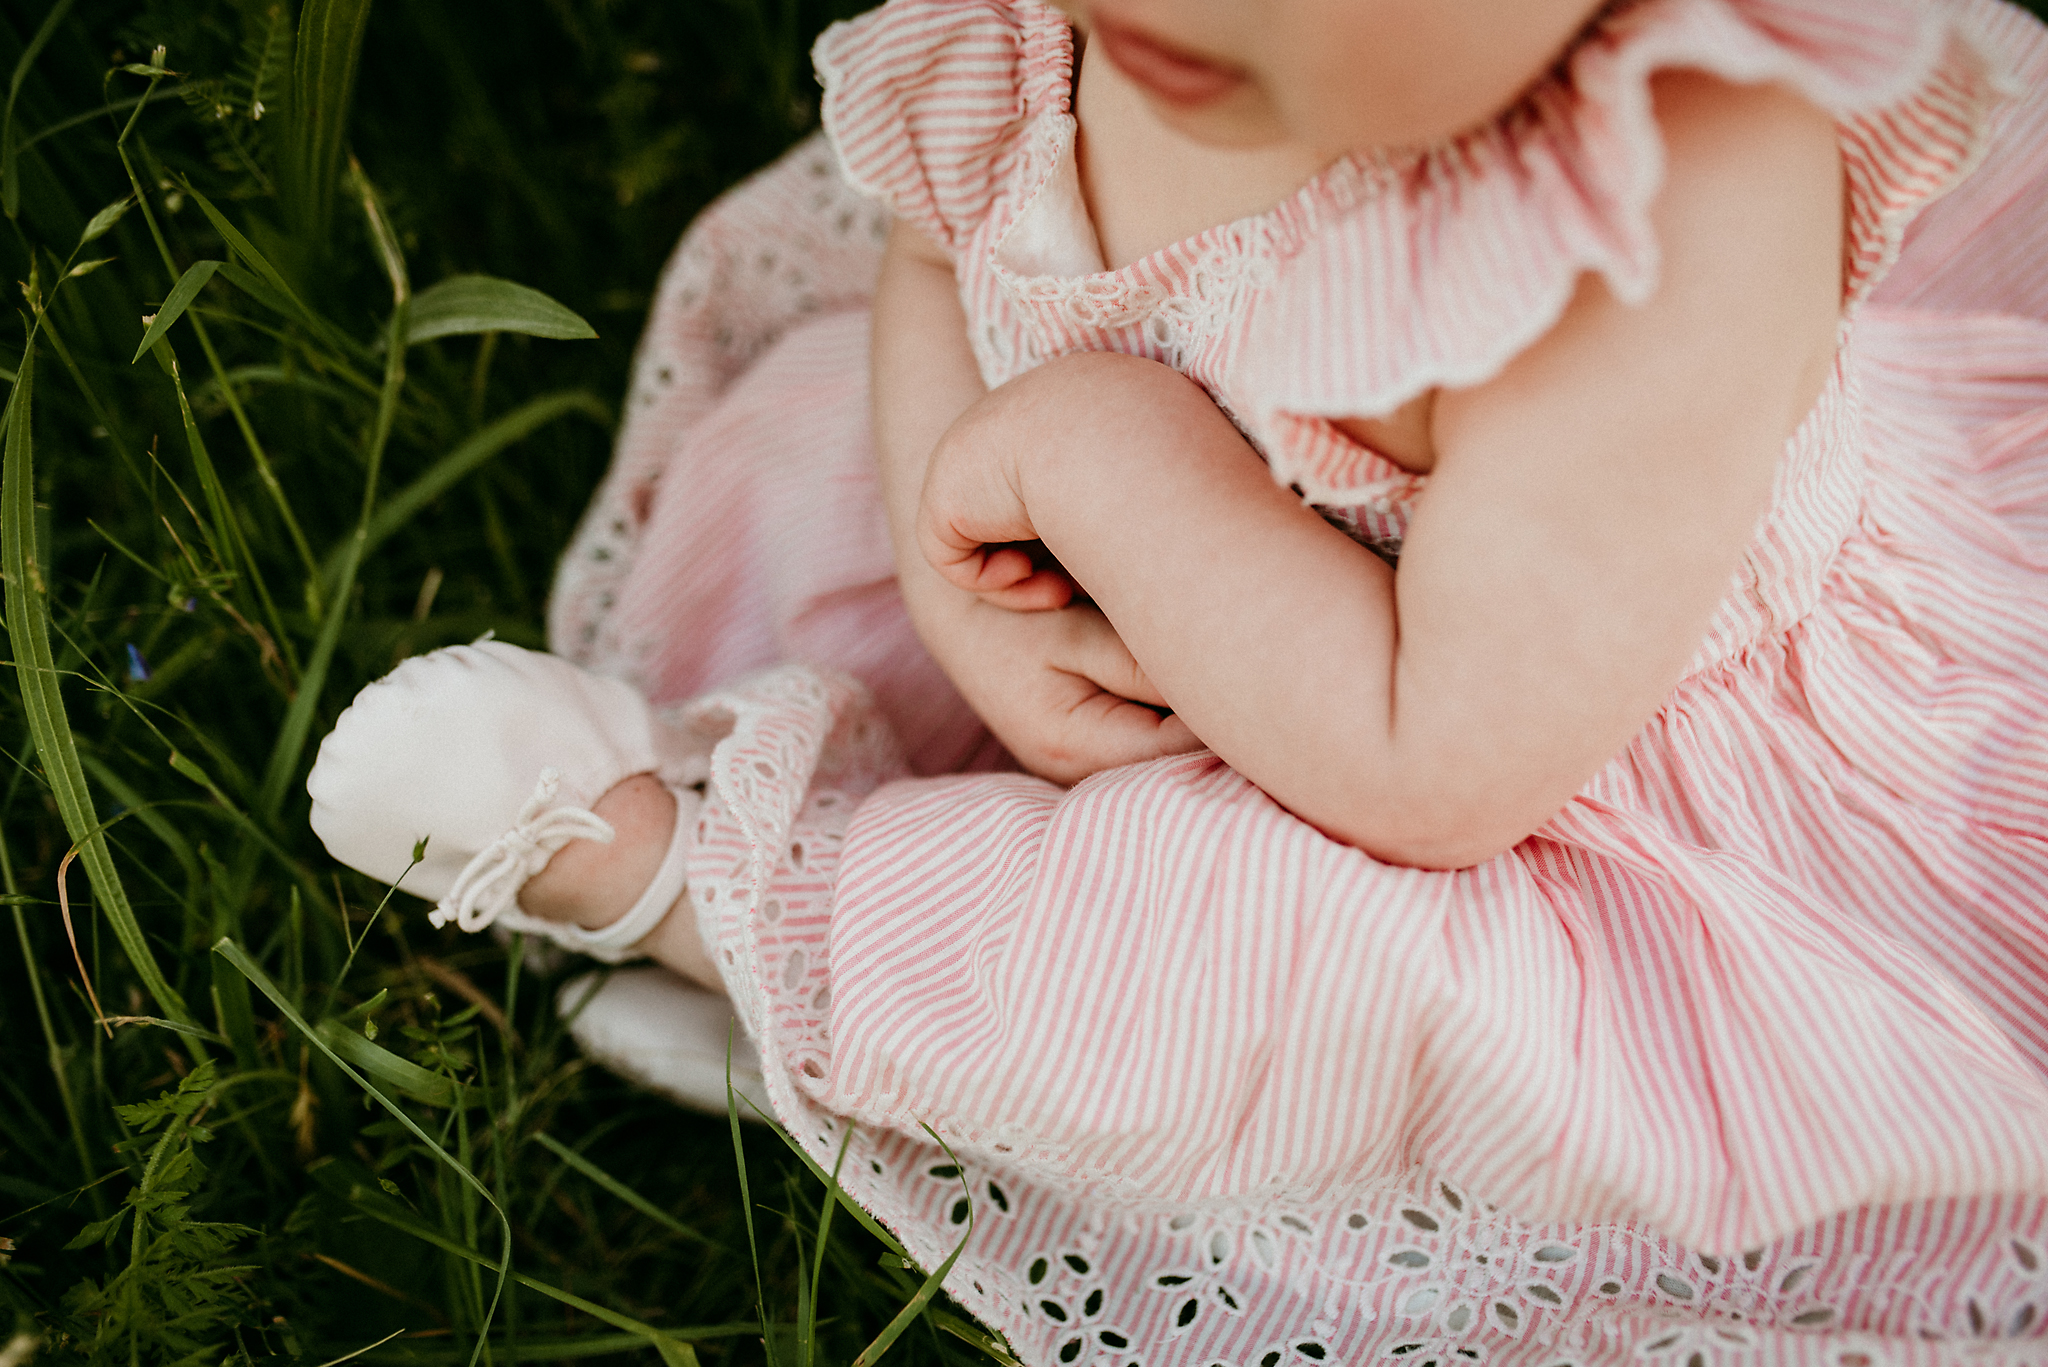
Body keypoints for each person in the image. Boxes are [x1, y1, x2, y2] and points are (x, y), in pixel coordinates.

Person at [308, 0, 2048, 1359]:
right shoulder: (1134, 44)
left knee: (1210, 964)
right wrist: (961, 561)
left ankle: (685, 887)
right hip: (1100, 552)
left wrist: (1094, 453)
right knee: (815, 465)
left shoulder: (1679, 188)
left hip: (1551, 795)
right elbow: (944, 240)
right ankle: (840, 890)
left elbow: (1440, 766)